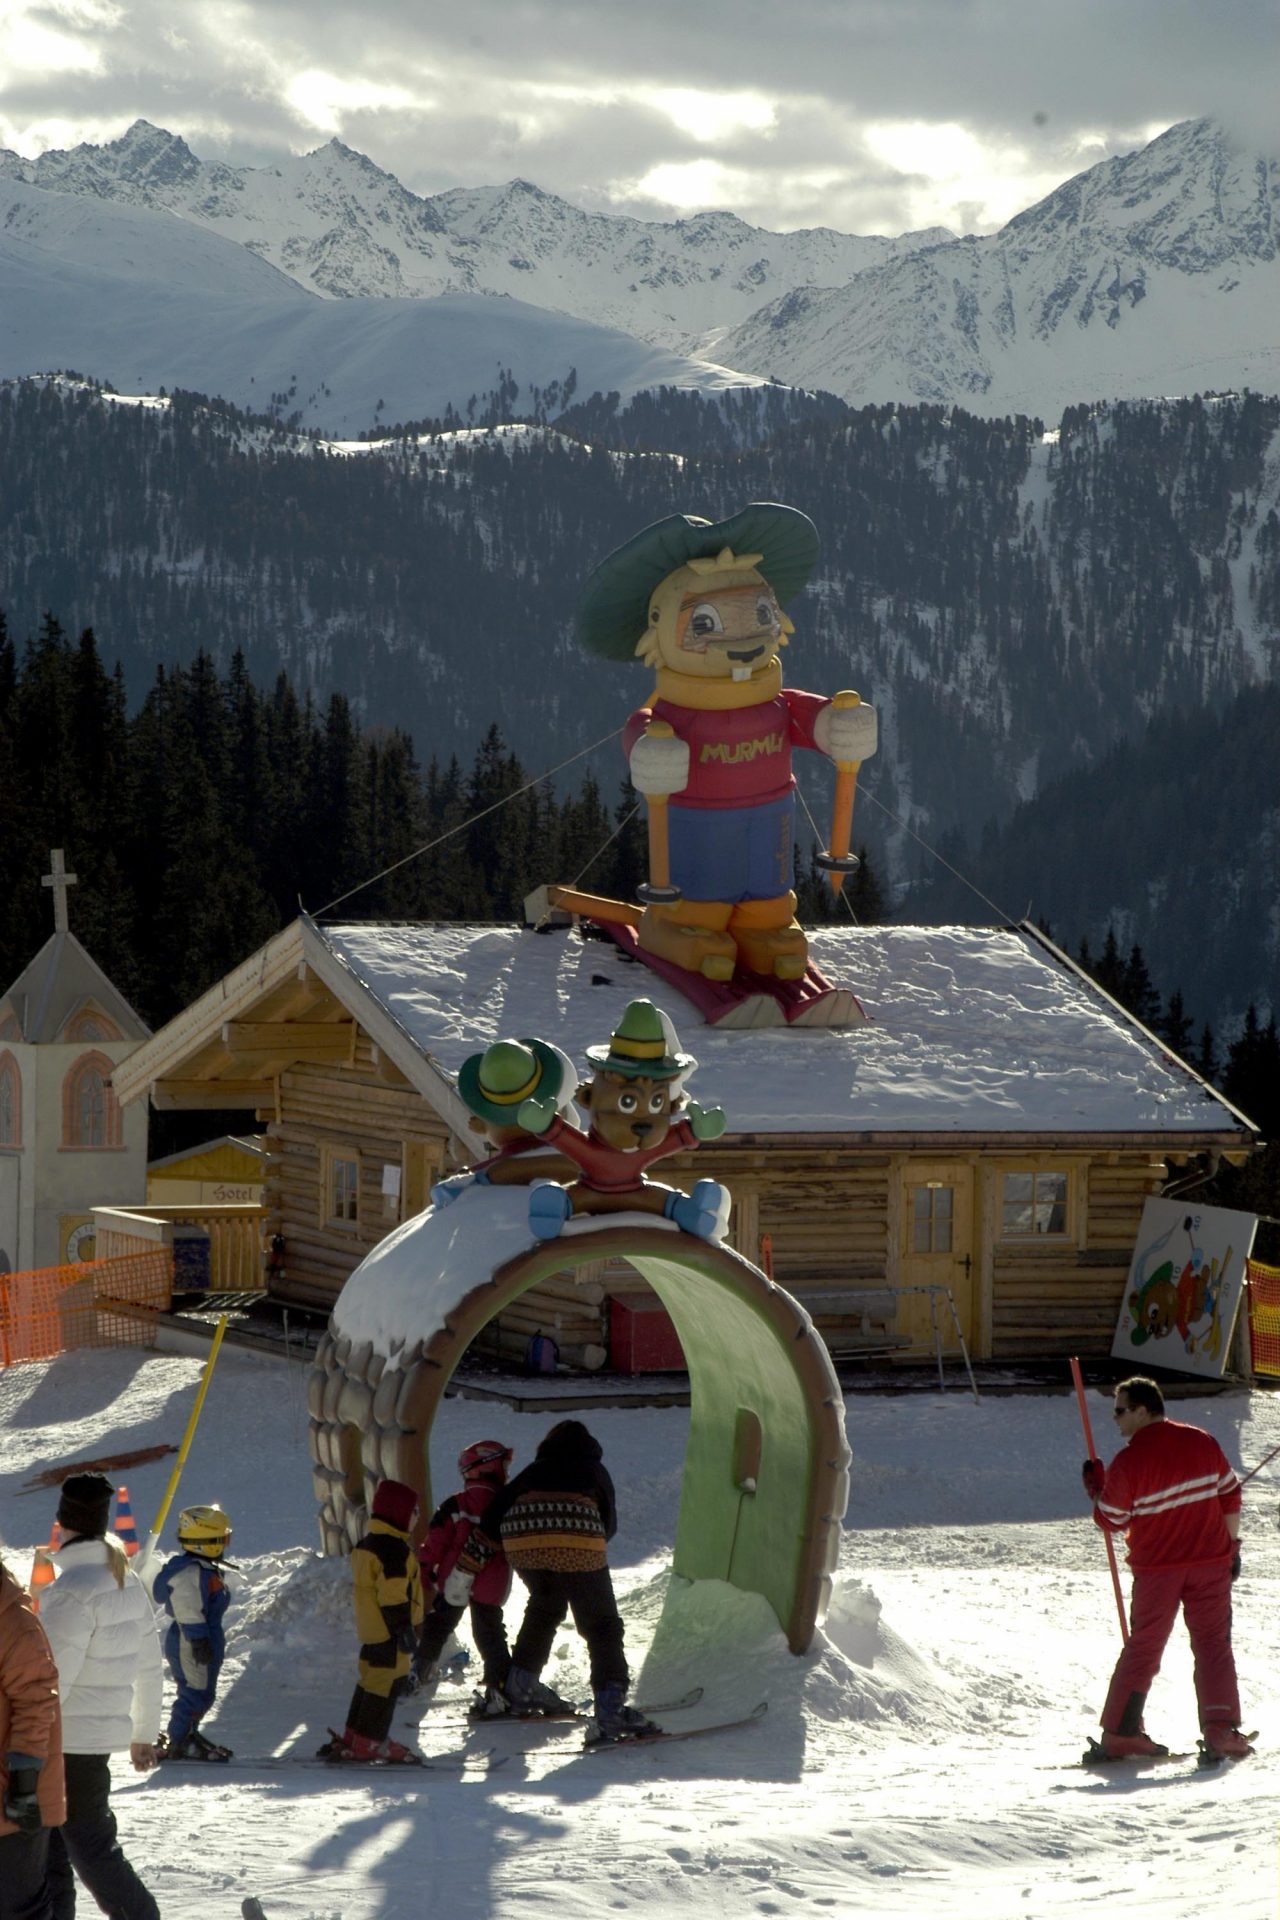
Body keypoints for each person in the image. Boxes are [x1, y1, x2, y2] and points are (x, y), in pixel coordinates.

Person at [447, 1419, 658, 1744]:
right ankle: (611, 1711)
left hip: (522, 1542)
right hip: (579, 1539)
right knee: (602, 1625)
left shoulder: (533, 1471)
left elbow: (493, 1519)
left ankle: (520, 1688)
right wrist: (580, 1549)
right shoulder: (594, 1470)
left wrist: (466, 1567)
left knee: (545, 1608)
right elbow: (608, 1525)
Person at [1081, 1374, 1251, 1760]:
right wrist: (1232, 1547)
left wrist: (1097, 1488)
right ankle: (1221, 1729)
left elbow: (1110, 1519)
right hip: (1210, 1564)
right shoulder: (1201, 1440)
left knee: (1144, 1647)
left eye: (1121, 1411)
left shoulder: (1130, 1461)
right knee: (1213, 1644)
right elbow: (1230, 1493)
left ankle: (1122, 1732)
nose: (1116, 1420)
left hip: (1158, 1571)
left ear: (1142, 1410)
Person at [37, 1474, 163, 1920]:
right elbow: (150, 1663)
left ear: (64, 1525)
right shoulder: (123, 1582)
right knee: (55, 1844)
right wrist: (143, 1731)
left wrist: (22, 1732)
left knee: (83, 1847)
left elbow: (53, 1680)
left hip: (62, 1740)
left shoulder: (69, 1592)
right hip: (90, 1742)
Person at [318, 1480, 424, 1764]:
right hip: (390, 1633)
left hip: (372, 1631)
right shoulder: (394, 1551)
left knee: (369, 1682)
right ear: (399, 1513)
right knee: (386, 1685)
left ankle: (354, 1736)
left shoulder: (368, 1544)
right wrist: (403, 1628)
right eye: (414, 1511)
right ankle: (371, 1742)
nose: (417, 1517)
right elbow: (392, 1594)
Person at [412, 1441, 513, 1718]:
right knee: (490, 1634)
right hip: (490, 1584)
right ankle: (499, 1688)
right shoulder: (507, 1504)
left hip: (454, 1579)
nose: (507, 1471)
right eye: (504, 1465)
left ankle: (419, 1671)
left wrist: (425, 1569)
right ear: (490, 1467)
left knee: (438, 1624)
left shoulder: (456, 1504)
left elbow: (435, 1541)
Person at [0, 1549, 65, 1920]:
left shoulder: (11, 1618)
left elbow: (37, 1695)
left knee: (20, 1908)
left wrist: (24, 1778)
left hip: (15, 1793)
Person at [151, 1505, 235, 1762]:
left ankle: (188, 1734)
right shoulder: (190, 1573)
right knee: (196, 1691)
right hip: (191, 1639)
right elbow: (188, 1609)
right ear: (207, 1542)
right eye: (222, 1539)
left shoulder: (202, 1568)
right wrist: (199, 1640)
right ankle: (180, 1739)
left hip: (199, 1636)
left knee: (200, 1691)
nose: (226, 1544)